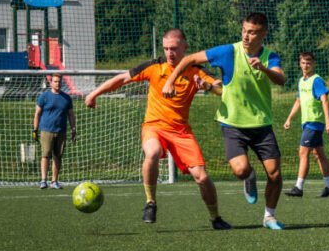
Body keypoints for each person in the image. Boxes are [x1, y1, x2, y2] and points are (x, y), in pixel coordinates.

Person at [84, 29, 231, 230]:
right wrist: (95, 93)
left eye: (174, 49)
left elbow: (222, 90)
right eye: (166, 49)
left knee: (202, 177)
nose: (170, 53)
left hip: (181, 131)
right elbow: (122, 79)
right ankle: (150, 202)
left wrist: (207, 86)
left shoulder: (195, 69)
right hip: (154, 126)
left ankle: (216, 218)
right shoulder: (155, 66)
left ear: (185, 48)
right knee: (152, 152)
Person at [164, 13, 287, 230]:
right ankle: (249, 178)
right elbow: (189, 59)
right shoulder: (229, 51)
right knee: (240, 170)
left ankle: (269, 216)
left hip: (261, 124)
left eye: (252, 32)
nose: (246, 36)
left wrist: (264, 69)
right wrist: (170, 82)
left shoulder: (270, 56)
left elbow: (281, 78)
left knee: (275, 173)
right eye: (244, 30)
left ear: (263, 34)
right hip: (232, 124)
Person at [282, 51, 329, 198]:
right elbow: (299, 101)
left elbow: (324, 99)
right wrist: (289, 118)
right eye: (303, 63)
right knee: (318, 154)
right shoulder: (301, 81)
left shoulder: (316, 80)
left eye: (309, 63)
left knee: (303, 152)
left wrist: (328, 121)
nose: (306, 65)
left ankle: (298, 187)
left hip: (315, 121)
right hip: (306, 122)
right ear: (300, 64)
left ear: (313, 64)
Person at [33, 73, 75, 190]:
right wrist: (35, 129)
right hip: (46, 130)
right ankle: (43, 180)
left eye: (59, 82)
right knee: (46, 154)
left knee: (58, 156)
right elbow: (37, 113)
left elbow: (71, 115)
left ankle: (54, 181)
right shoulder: (44, 97)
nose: (58, 84)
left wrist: (73, 129)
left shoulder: (67, 98)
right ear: (51, 83)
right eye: (55, 82)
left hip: (61, 131)